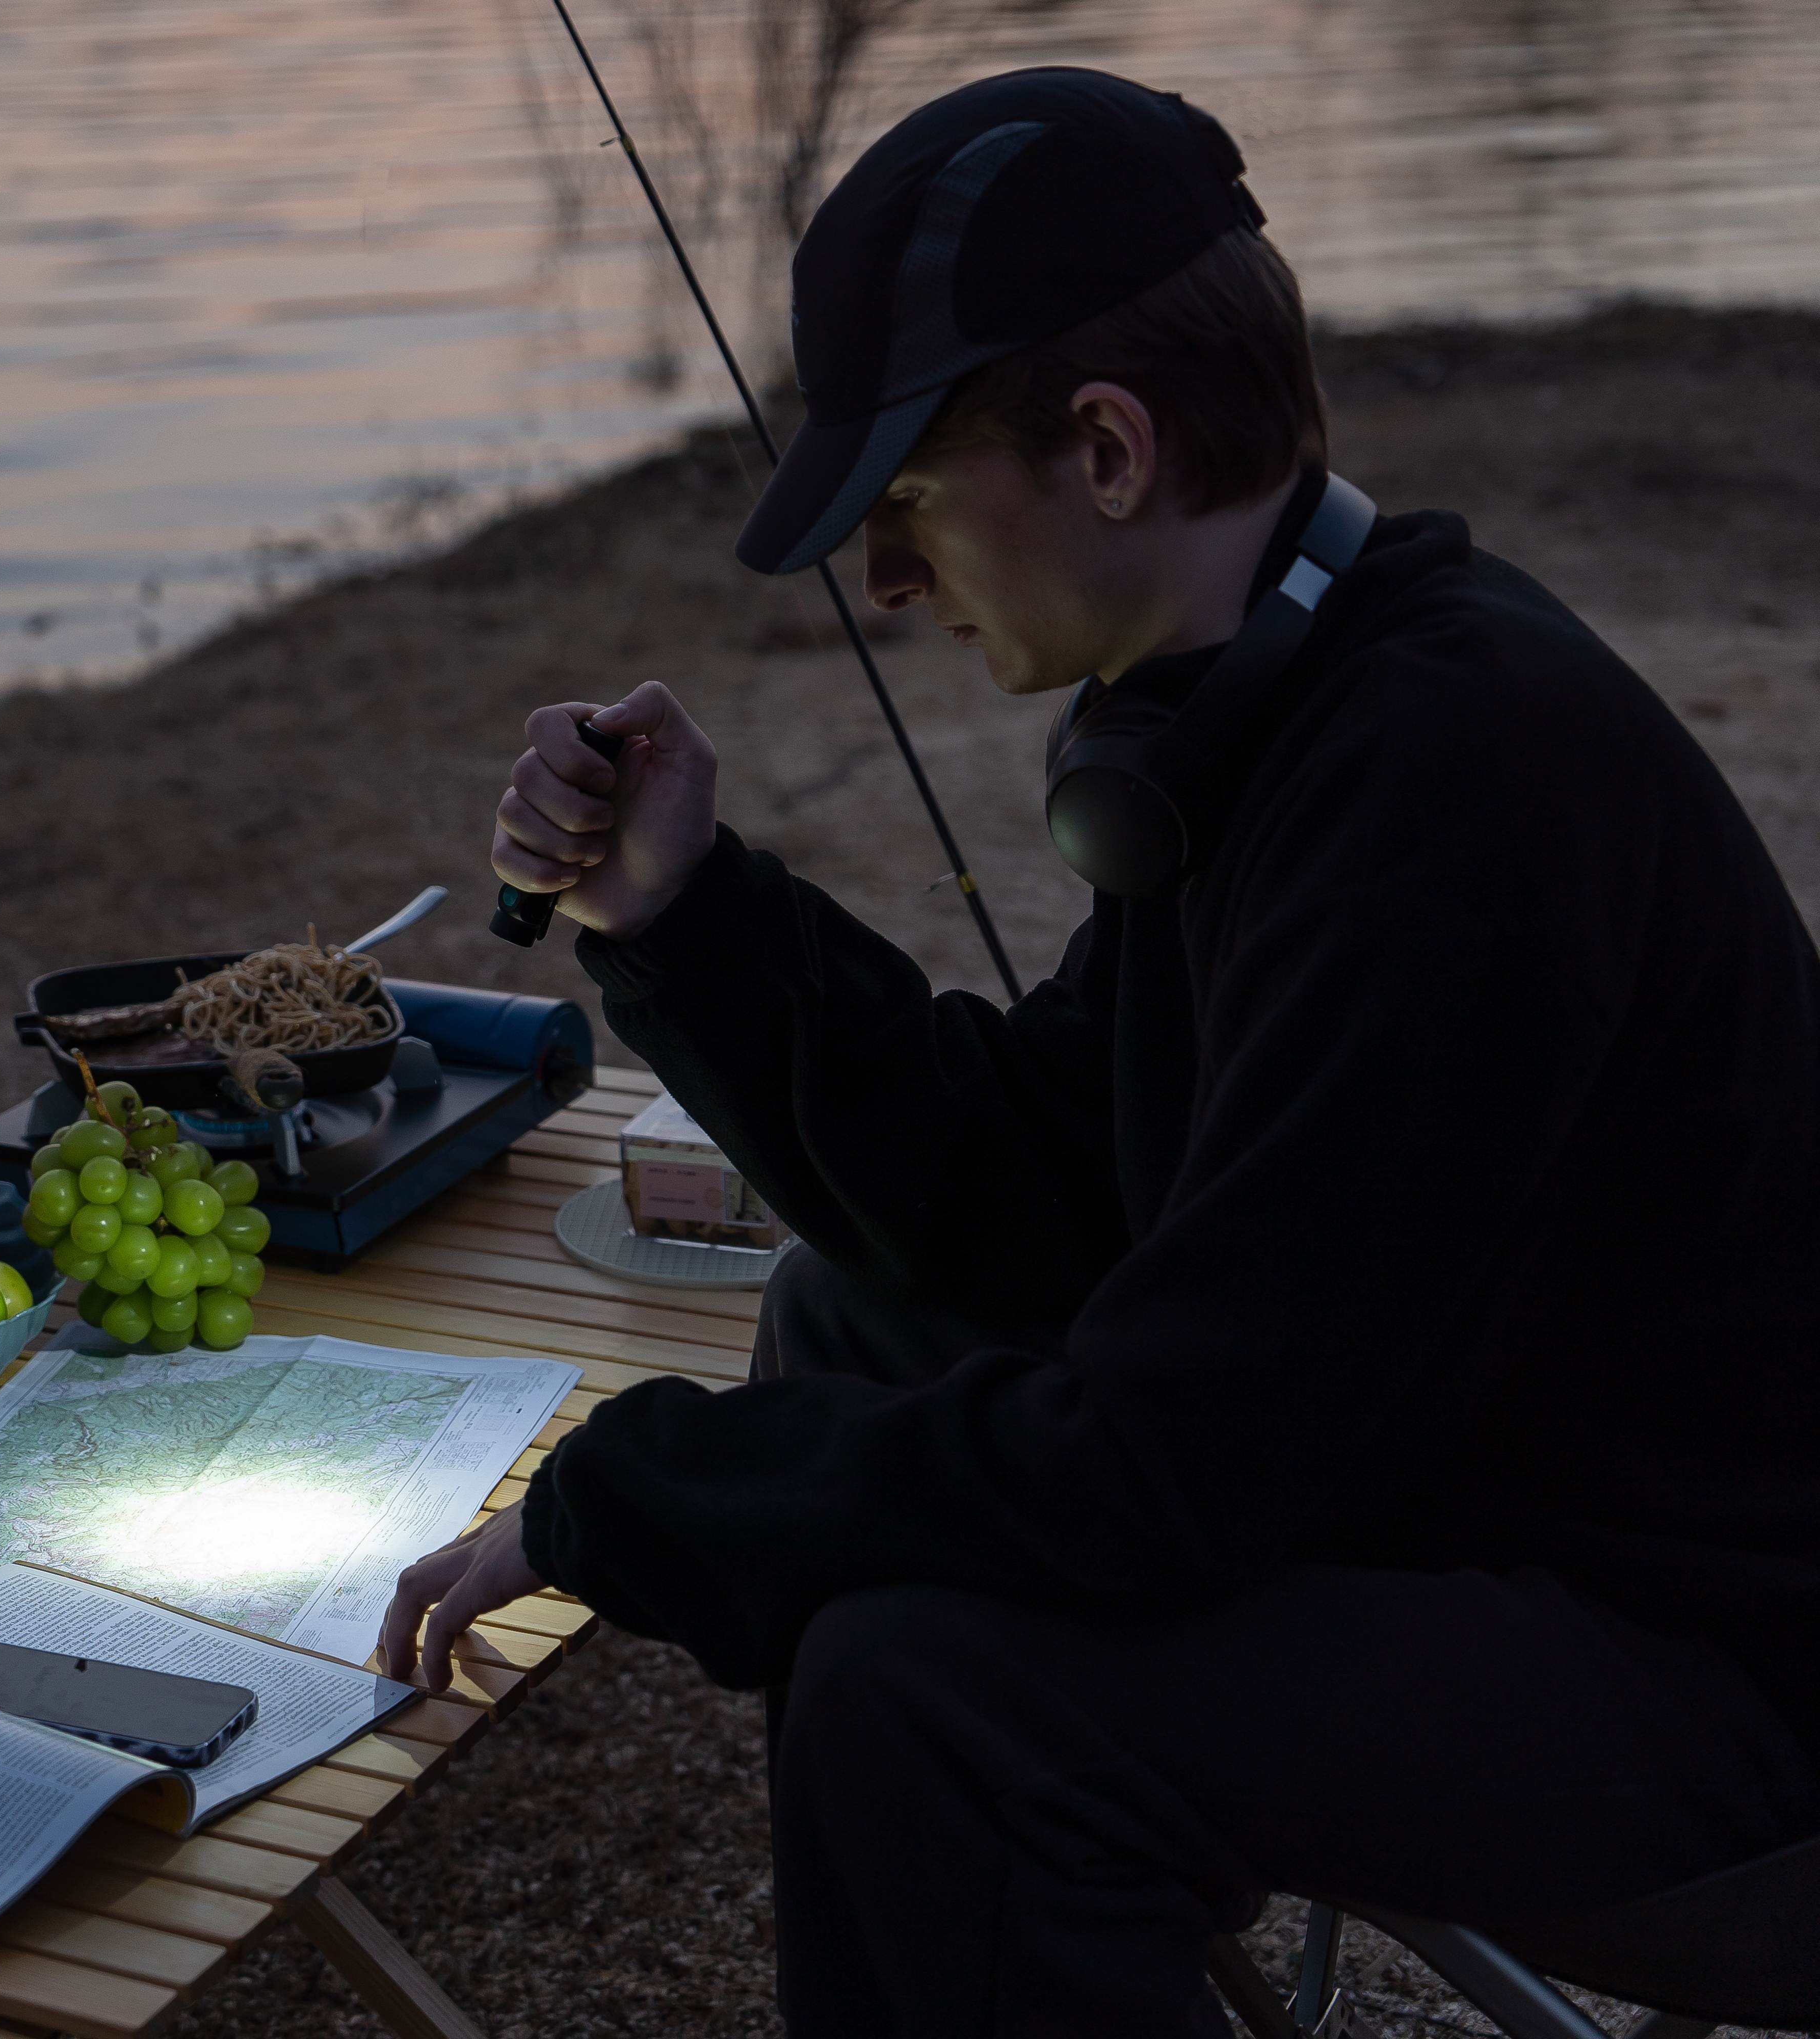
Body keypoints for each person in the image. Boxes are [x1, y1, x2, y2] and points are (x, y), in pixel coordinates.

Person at [375, 66, 1820, 2038]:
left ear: (1112, 451)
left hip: (1729, 1689)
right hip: (1475, 1480)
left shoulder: (1449, 781)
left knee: (932, 1706)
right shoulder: (1265, 709)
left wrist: (627, 1494)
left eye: (904, 504)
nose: (886, 585)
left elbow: (1178, 1462)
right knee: (844, 1319)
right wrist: (686, 913)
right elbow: (1045, 1192)